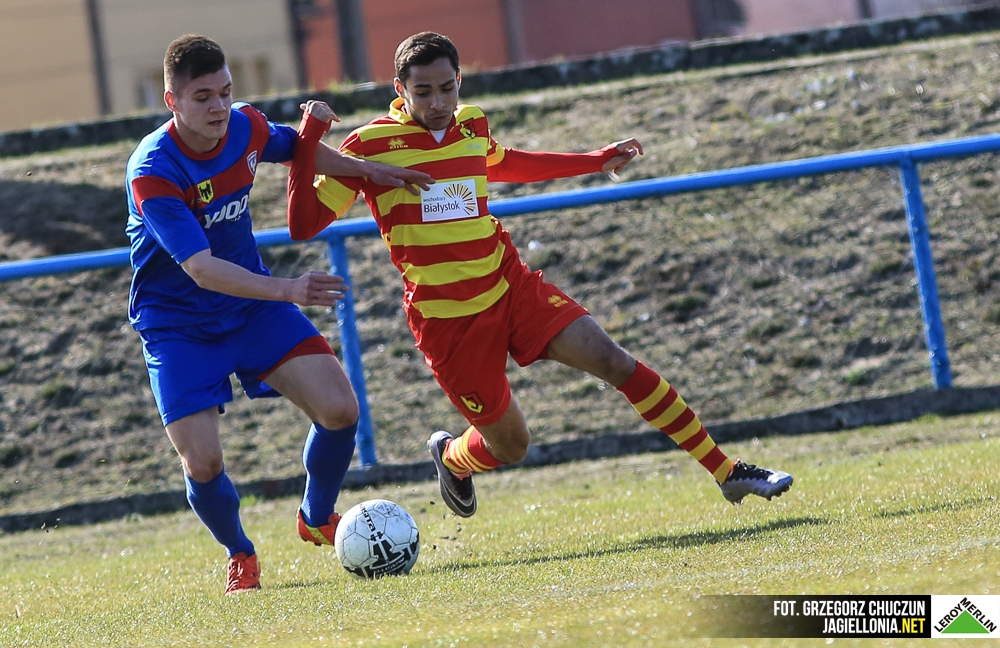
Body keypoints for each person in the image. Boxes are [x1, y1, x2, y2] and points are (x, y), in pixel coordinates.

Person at [286, 32, 793, 520]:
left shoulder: (471, 123)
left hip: (510, 286)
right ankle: (453, 458)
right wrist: (308, 139)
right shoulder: (368, 145)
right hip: (447, 321)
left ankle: (727, 470)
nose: (438, 103)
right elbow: (303, 225)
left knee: (613, 360)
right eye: (423, 92)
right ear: (400, 90)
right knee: (512, 446)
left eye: (447, 88)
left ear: (460, 80)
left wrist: (593, 161)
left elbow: (507, 163)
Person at [125, 35, 432, 594]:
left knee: (339, 409)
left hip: (251, 309)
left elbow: (299, 150)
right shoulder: (154, 170)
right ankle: (240, 553)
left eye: (225, 92)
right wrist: (289, 289)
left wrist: (368, 171)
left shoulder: (245, 125)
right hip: (178, 327)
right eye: (202, 97)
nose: (219, 107)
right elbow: (201, 268)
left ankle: (315, 516)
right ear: (171, 101)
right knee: (203, 464)